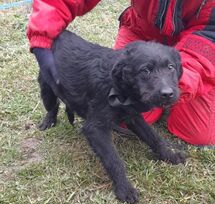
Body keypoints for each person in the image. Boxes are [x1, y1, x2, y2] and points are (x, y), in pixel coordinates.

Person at [27, 0, 215, 145]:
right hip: (142, 33)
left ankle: (173, 93)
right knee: (121, 113)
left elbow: (210, 39)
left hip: (199, 45)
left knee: (197, 133)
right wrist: (42, 39)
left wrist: (168, 83)